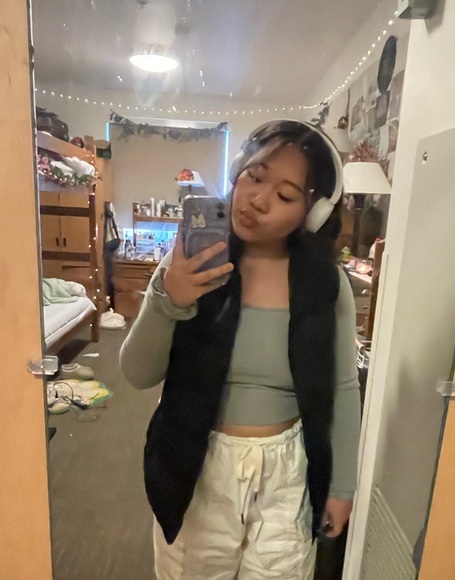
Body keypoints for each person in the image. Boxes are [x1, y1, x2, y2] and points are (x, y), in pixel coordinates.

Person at [120, 120, 361, 579]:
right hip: (198, 462)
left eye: (285, 195)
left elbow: (345, 389)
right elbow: (136, 372)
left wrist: (342, 488)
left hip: (287, 473)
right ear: (237, 171)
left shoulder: (326, 285)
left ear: (312, 213)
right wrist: (169, 299)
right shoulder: (189, 262)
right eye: (254, 176)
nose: (258, 199)